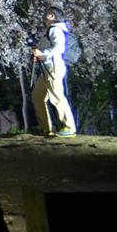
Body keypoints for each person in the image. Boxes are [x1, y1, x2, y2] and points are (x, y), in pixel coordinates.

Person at [28, 9, 76, 138]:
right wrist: (40, 54)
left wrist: (43, 54)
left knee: (56, 97)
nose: (44, 17)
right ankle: (45, 128)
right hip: (46, 69)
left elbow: (59, 48)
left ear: (52, 16)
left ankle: (69, 127)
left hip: (53, 68)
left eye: (47, 14)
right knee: (37, 96)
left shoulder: (55, 29)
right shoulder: (51, 30)